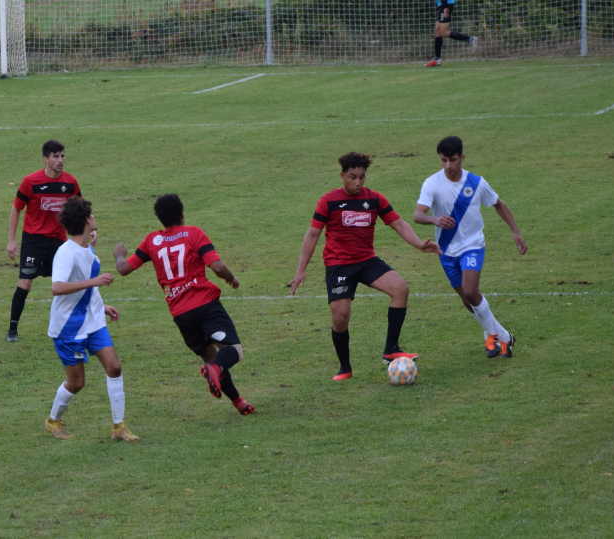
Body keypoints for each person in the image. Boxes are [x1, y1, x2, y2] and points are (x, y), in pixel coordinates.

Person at [289, 152, 441, 381]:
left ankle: (391, 349)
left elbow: (398, 223)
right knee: (340, 318)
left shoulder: (375, 199)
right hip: (338, 265)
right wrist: (301, 269)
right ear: (342, 176)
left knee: (400, 289)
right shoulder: (328, 201)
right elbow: (312, 235)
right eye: (352, 177)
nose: (358, 182)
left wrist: (419, 244)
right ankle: (345, 367)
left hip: (366, 260)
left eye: (361, 177)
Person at [113, 193, 255, 415]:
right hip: (205, 304)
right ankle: (215, 370)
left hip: (180, 313)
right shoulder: (193, 233)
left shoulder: (151, 241)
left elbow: (123, 270)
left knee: (210, 356)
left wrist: (119, 256)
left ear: (160, 219)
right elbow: (217, 267)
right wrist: (232, 279)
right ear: (181, 214)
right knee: (233, 351)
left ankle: (238, 402)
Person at [414, 136, 526, 358]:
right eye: (444, 160)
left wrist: (515, 231)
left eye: (453, 160)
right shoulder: (432, 183)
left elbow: (498, 204)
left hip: (472, 246)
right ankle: (504, 336)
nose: (448, 166)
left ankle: (490, 337)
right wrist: (434, 220)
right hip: (445, 250)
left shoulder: (476, 183)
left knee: (470, 291)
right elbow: (418, 214)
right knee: (467, 301)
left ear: (462, 158)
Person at [44, 197, 139, 442]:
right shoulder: (66, 253)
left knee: (114, 367)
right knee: (76, 383)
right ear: (86, 220)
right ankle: (53, 421)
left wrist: (101, 305)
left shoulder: (86, 247)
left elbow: (86, 276)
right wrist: (95, 282)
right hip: (69, 327)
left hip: (93, 319)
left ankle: (119, 428)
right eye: (92, 214)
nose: (95, 217)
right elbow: (57, 287)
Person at [5, 139, 82, 342]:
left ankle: (70, 325)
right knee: (25, 282)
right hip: (33, 240)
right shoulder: (31, 182)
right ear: (45, 159)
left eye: (63, 156)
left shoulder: (70, 182)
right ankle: (12, 329)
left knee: (65, 282)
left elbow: (80, 207)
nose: (60, 160)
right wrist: (11, 240)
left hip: (58, 241)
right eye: (56, 156)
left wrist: (90, 227)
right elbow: (16, 208)